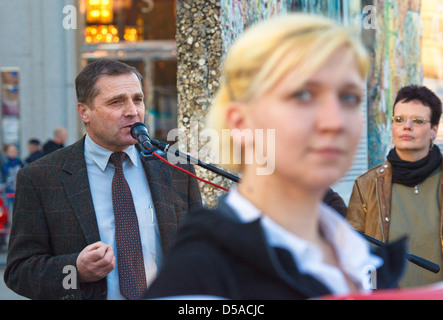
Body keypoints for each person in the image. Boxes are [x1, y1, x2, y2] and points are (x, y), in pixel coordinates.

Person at [145, 13, 406, 300]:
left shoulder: (357, 255)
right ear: (241, 122)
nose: (335, 121)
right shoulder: (200, 281)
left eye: (349, 97)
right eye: (303, 95)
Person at [4, 59, 202, 300]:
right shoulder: (41, 177)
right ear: (84, 112)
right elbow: (19, 271)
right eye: (116, 101)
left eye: (137, 99)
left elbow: (199, 253)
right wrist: (75, 270)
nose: (132, 111)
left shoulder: (176, 170)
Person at [347, 85, 443, 288]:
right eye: (399, 119)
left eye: (417, 121)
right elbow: (353, 253)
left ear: (434, 130)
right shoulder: (366, 185)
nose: (406, 126)